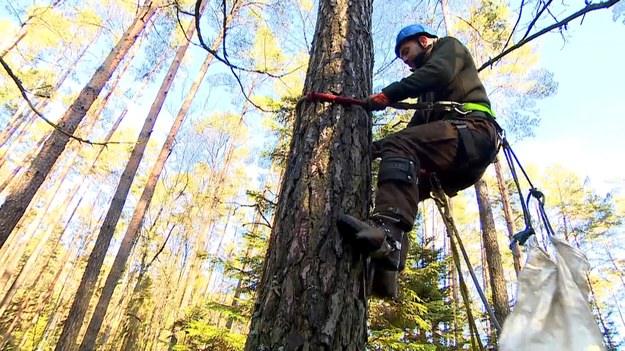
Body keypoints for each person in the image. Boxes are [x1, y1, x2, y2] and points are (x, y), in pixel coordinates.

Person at [338, 24, 500, 299]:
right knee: (406, 183)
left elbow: (439, 72)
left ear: (423, 41)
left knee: (400, 150)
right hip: (461, 157)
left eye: (407, 51)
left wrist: (389, 94)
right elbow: (411, 132)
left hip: (474, 131)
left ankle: (387, 236)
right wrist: (373, 149)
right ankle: (388, 264)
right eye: (402, 57)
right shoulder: (429, 96)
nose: (406, 60)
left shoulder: (449, 48)